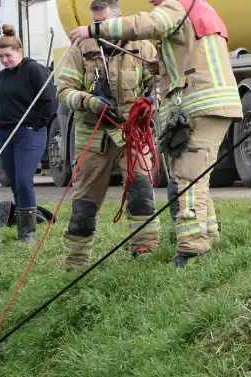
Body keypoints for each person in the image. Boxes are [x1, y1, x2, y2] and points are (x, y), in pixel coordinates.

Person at [71, 0, 241, 267]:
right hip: (212, 104)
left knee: (187, 178)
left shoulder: (176, 5)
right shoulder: (199, 8)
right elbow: (189, 56)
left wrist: (94, 31)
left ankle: (192, 250)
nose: (151, 2)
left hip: (200, 104)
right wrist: (160, 66)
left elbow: (147, 24)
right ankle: (209, 237)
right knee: (197, 177)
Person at [56, 0, 160, 269]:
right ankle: (74, 265)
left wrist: (151, 104)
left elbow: (159, 86)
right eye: (95, 24)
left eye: (103, 24)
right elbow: (64, 91)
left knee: (142, 194)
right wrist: (90, 102)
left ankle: (145, 253)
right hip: (94, 140)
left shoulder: (143, 47)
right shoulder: (80, 49)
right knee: (84, 207)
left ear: (118, 19)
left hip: (132, 135)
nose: (97, 29)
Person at [0, 24, 57, 244]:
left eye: (8, 55)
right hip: (5, 133)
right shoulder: (1, 77)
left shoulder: (34, 70)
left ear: (19, 52)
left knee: (23, 180)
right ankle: (22, 228)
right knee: (12, 180)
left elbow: (50, 101)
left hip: (28, 134)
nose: (5, 60)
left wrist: (36, 125)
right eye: (1, 56)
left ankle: (28, 233)